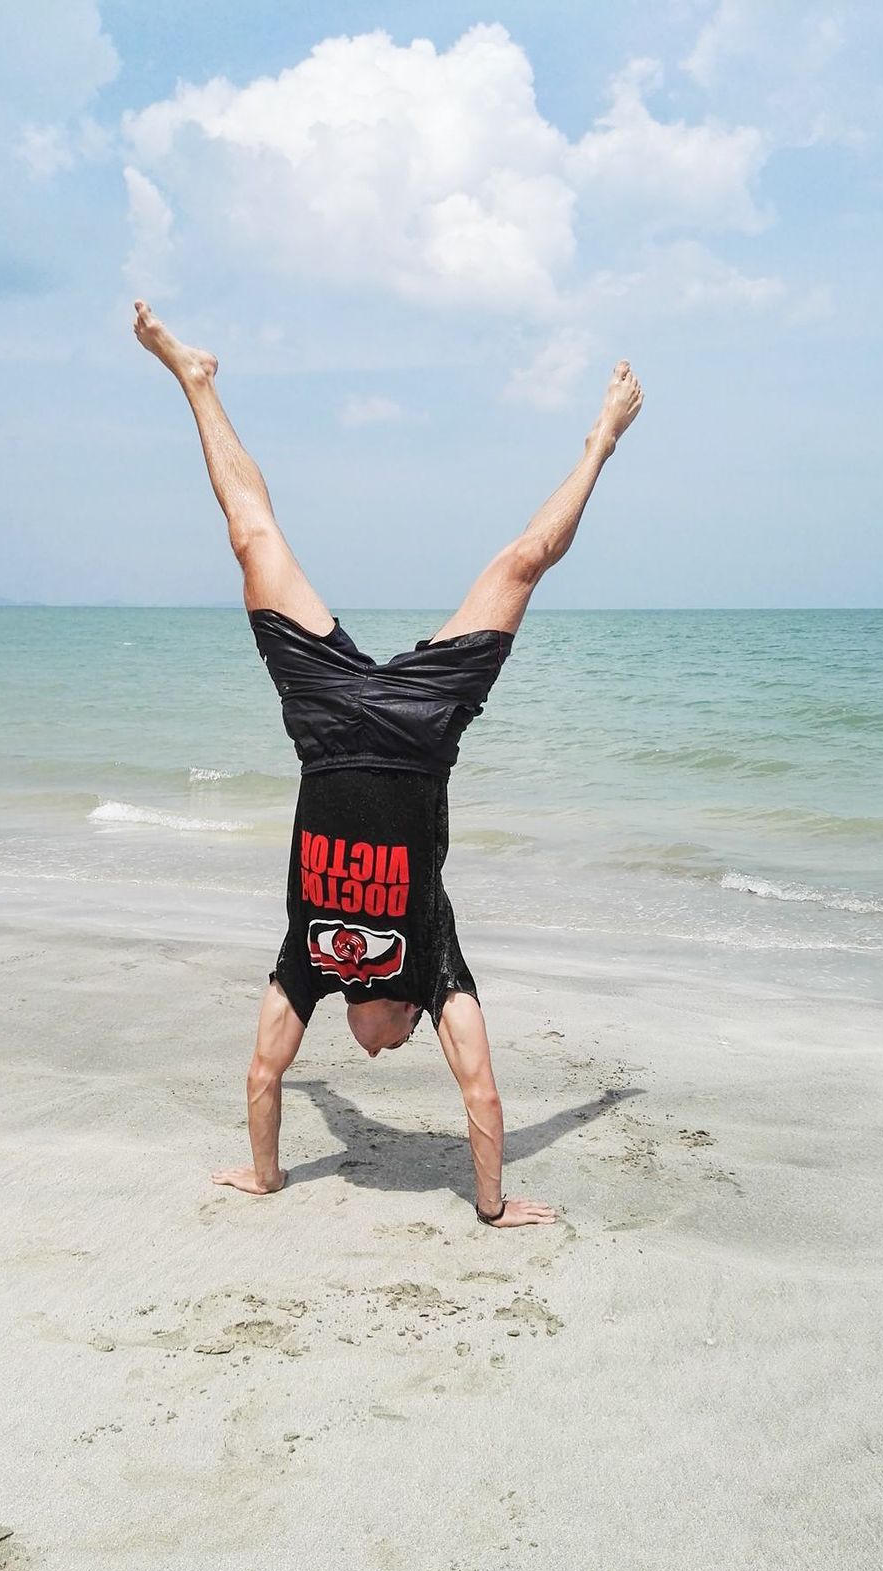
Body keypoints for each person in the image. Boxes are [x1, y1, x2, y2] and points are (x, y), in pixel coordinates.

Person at [133, 300, 643, 1228]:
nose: (379, 1050)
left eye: (385, 1048)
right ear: (410, 1017)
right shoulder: (434, 967)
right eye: (403, 1046)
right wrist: (491, 1204)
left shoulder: (308, 968)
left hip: (325, 728)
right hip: (418, 732)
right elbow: (482, 1092)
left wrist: (267, 1174)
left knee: (252, 540)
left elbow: (263, 1074)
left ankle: (195, 381)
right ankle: (602, 439)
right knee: (522, 564)